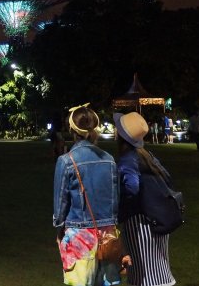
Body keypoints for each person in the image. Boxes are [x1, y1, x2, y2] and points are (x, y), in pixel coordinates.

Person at [54, 104, 121, 286]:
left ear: (72, 129)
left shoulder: (66, 161)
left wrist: (59, 227)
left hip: (79, 237)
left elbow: (60, 205)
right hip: (108, 237)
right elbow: (116, 202)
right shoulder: (109, 159)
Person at [115, 112, 176, 286]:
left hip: (140, 224)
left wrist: (122, 208)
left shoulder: (128, 159)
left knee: (143, 273)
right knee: (159, 269)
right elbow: (168, 179)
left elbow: (132, 187)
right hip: (156, 219)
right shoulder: (147, 156)